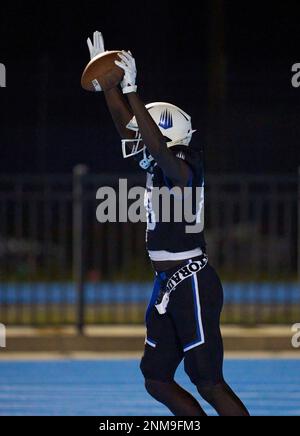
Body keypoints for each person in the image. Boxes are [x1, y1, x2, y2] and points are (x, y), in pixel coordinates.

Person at [87, 31, 250, 416]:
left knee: (208, 380)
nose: (140, 139)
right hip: (167, 284)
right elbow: (132, 132)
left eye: (149, 133)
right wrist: (110, 87)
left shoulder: (184, 166)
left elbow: (156, 145)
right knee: (156, 376)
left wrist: (134, 90)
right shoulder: (161, 161)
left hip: (191, 281)